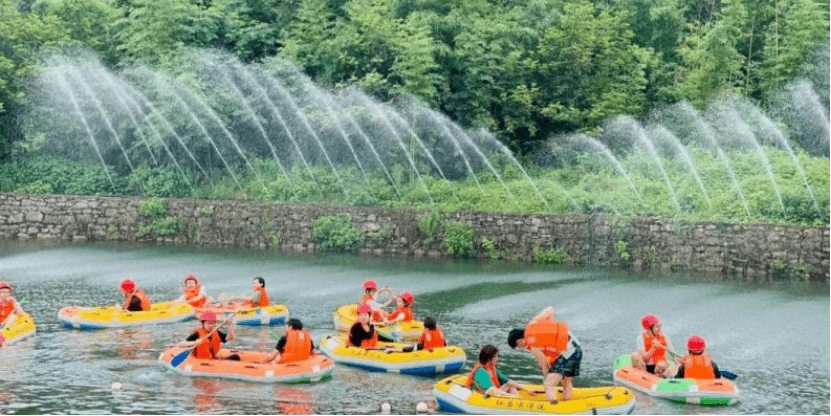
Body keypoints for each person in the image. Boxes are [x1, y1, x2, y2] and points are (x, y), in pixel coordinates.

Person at [508, 306, 582, 403]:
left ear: (519, 340)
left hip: (568, 353)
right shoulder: (534, 322)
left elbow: (543, 363)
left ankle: (554, 408)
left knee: (549, 385)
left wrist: (546, 378)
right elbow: (550, 309)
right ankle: (567, 402)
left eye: (518, 345)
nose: (520, 347)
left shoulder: (531, 343)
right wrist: (550, 323)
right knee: (566, 382)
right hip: (577, 348)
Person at [464, 344, 529, 398]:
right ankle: (516, 401)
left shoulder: (492, 368)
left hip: (494, 394)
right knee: (509, 388)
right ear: (490, 359)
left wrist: (527, 389)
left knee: (510, 385)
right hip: (486, 397)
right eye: (496, 357)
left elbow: (508, 381)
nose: (497, 358)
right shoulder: (481, 372)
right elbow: (490, 390)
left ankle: (517, 401)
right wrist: (511, 396)